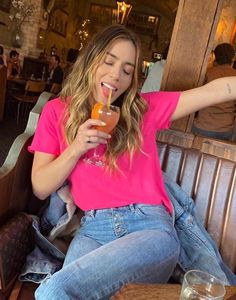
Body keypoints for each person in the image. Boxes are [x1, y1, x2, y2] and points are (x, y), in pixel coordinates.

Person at [29, 25, 236, 300]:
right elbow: (40, 187)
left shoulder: (142, 110)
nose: (116, 76)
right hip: (94, 229)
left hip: (150, 229)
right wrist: (76, 147)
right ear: (91, 58)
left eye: (127, 70)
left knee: (55, 291)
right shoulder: (56, 112)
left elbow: (213, 91)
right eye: (109, 62)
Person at [192, 43, 236, 140]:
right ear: (233, 57)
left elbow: (196, 98)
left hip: (203, 125)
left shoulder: (207, 73)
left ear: (215, 55)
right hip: (226, 129)